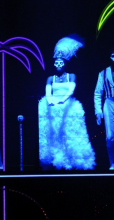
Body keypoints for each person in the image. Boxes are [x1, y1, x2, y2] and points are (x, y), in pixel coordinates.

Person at [39, 35, 95, 171]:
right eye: (56, 62)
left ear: (65, 63)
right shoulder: (50, 78)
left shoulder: (72, 76)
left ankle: (71, 160)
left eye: (61, 62)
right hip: (52, 107)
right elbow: (48, 92)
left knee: (69, 134)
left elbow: (71, 90)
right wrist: (51, 101)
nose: (59, 65)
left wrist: (62, 100)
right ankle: (54, 160)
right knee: (53, 135)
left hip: (68, 107)